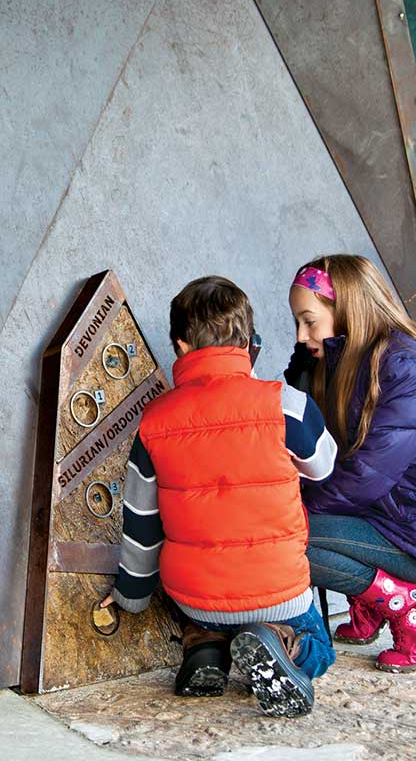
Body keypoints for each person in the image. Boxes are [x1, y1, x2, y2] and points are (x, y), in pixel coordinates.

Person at [102, 275, 337, 717]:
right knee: (323, 647)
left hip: (196, 597)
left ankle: (205, 644)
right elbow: (323, 465)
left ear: (181, 348)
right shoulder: (284, 404)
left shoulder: (153, 422)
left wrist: (131, 593)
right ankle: (285, 644)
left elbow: (141, 527)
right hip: (278, 591)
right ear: (251, 342)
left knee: (202, 599)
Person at [286, 255, 416, 673]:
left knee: (286, 539)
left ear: (346, 310)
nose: (301, 334)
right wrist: (300, 380)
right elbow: (318, 448)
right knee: (286, 525)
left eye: (309, 321)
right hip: (391, 521)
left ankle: (410, 604)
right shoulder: (345, 361)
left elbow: (366, 477)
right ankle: (371, 603)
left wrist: (293, 507)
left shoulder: (401, 366)